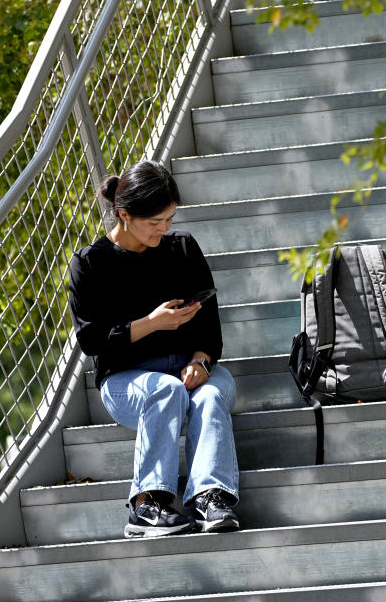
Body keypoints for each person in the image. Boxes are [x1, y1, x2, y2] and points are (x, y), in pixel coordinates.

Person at [67, 159, 240, 539]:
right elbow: (91, 341)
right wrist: (151, 324)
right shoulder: (89, 264)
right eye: (154, 223)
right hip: (126, 381)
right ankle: (147, 505)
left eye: (169, 219)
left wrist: (202, 361)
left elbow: (211, 328)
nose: (163, 229)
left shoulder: (182, 248)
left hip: (190, 367)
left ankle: (210, 498)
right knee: (166, 389)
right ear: (124, 215)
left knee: (210, 395)